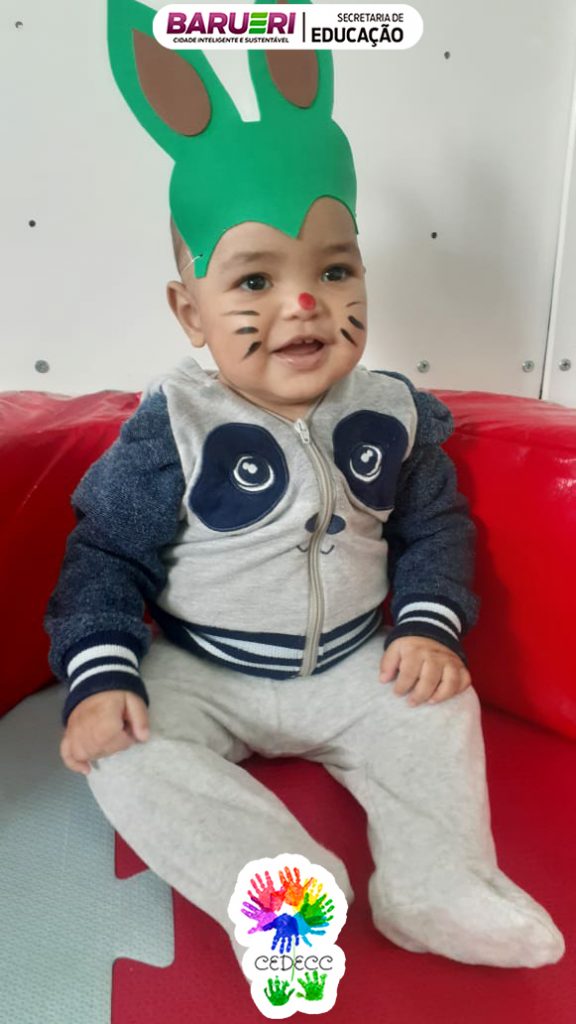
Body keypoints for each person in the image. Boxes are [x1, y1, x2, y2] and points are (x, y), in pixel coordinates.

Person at [45, 195, 565, 971]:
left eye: (334, 270)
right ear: (191, 314)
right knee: (117, 749)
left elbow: (435, 529)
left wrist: (428, 626)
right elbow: (106, 554)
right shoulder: (173, 427)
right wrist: (100, 678)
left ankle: (437, 888)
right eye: (256, 282)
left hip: (355, 665)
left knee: (438, 707)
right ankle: (279, 888)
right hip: (201, 669)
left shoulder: (394, 414)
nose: (303, 303)